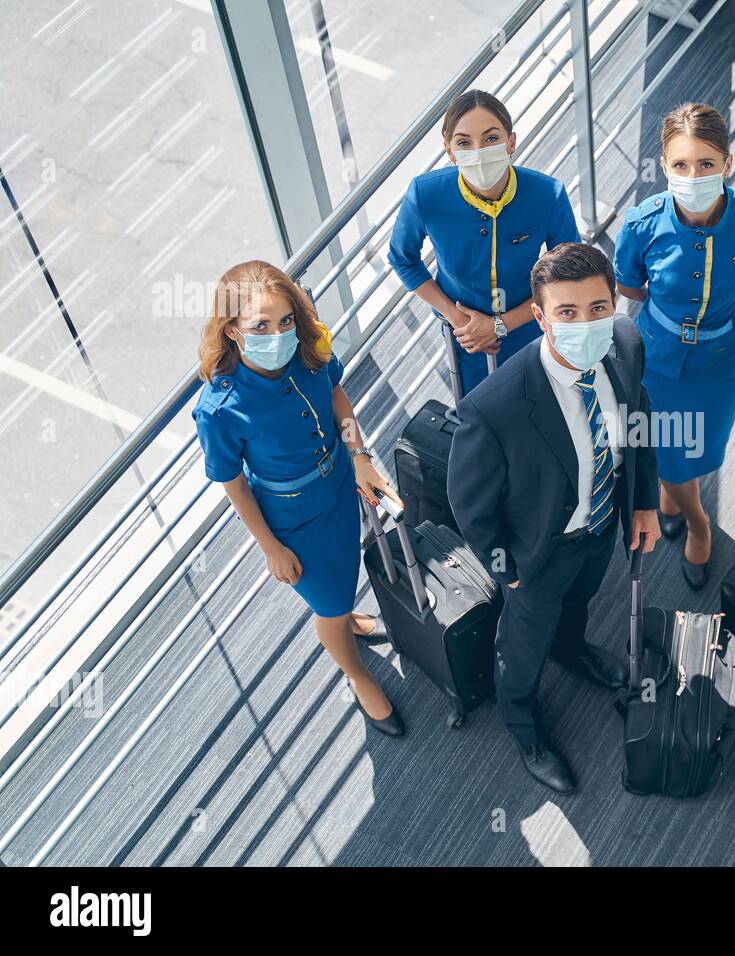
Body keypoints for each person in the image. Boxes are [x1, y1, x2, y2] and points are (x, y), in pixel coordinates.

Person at [447, 243, 660, 793]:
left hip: (600, 528)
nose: (586, 323)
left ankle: (573, 650)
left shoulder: (627, 345)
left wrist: (641, 503)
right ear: (540, 317)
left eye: (597, 308)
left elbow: (640, 421)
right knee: (522, 646)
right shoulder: (494, 406)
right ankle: (524, 727)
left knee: (581, 601)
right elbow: (469, 504)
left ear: (614, 303)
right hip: (536, 554)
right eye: (567, 312)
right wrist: (507, 571)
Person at [192, 260, 405, 737]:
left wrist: (361, 455)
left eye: (285, 321)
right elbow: (234, 483)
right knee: (327, 607)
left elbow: (337, 397)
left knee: (342, 576)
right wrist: (270, 547)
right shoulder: (221, 408)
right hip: (293, 520)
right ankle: (356, 672)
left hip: (338, 489)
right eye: (260, 326)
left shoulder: (308, 352)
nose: (279, 334)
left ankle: (346, 615)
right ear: (231, 330)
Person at [613, 102, 735, 589]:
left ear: (728, 165)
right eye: (681, 165)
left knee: (701, 450)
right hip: (656, 359)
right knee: (668, 454)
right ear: (664, 166)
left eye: (707, 164)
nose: (694, 175)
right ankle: (699, 522)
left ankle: (677, 499)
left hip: (721, 362)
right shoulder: (640, 224)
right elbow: (629, 285)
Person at [387, 89, 582, 396]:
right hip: (463, 337)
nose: (478, 151)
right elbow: (402, 258)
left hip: (531, 327)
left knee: (537, 406)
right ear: (450, 151)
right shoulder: (425, 195)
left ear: (511, 142)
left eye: (491, 139)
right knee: (478, 415)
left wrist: (499, 325)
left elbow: (571, 276)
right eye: (464, 143)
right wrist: (454, 316)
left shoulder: (548, 195)